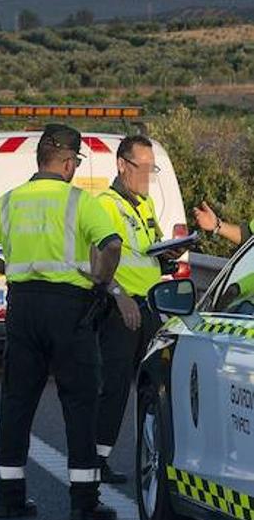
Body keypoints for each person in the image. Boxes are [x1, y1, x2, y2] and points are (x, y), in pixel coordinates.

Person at [0, 124, 124, 520]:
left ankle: (9, 498)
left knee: (17, 402)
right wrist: (102, 278)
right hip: (70, 309)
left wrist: (7, 269)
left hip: (23, 307)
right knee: (80, 403)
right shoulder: (81, 202)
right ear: (68, 162)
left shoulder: (11, 201)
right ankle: (84, 502)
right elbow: (112, 245)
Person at [92, 134, 182, 484]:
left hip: (149, 306)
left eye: (152, 168)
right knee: (113, 387)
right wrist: (118, 294)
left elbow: (146, 251)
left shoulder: (142, 205)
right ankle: (95, 462)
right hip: (120, 307)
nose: (147, 175)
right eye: (142, 167)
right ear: (121, 164)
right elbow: (96, 261)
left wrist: (168, 255)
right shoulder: (105, 204)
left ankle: (153, 460)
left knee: (150, 388)